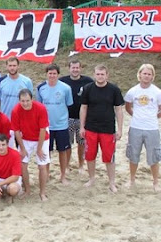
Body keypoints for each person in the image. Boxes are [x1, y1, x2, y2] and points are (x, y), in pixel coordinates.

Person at [80, 64, 124, 193]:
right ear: (94, 75)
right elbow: (83, 108)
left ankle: (112, 182)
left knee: (109, 157)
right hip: (91, 128)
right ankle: (92, 178)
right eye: (98, 74)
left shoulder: (114, 89)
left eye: (102, 74)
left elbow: (119, 110)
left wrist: (120, 129)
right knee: (90, 156)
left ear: (107, 75)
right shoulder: (88, 88)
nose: (100, 76)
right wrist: (82, 127)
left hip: (108, 129)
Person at [123, 64, 161, 190]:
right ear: (139, 74)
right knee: (133, 155)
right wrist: (136, 116)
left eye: (149, 74)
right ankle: (132, 180)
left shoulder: (157, 92)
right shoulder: (132, 91)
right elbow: (128, 107)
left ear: (152, 76)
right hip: (136, 127)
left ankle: (155, 182)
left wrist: (153, 117)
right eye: (144, 73)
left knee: (154, 156)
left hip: (152, 129)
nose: (146, 76)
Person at [36, 64, 73, 185]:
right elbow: (39, 107)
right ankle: (46, 174)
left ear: (58, 74)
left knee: (62, 151)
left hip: (62, 125)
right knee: (47, 151)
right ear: (46, 74)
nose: (52, 76)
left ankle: (63, 175)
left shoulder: (66, 88)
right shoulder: (40, 87)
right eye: (50, 73)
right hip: (46, 126)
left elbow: (68, 104)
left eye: (54, 73)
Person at [12, 89, 50, 201]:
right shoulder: (16, 110)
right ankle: (27, 190)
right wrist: (22, 149)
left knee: (42, 165)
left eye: (27, 101)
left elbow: (43, 129)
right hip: (25, 138)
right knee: (22, 164)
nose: (25, 103)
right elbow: (16, 131)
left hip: (41, 138)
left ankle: (42, 192)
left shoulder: (41, 108)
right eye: (22, 101)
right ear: (19, 100)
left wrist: (39, 149)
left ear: (32, 99)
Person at [59, 58, 94, 173]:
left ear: (80, 68)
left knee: (82, 143)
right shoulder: (62, 81)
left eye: (77, 67)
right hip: (67, 117)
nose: (75, 70)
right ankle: (67, 165)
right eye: (73, 67)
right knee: (67, 144)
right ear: (69, 69)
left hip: (83, 119)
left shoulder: (88, 81)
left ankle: (80, 165)